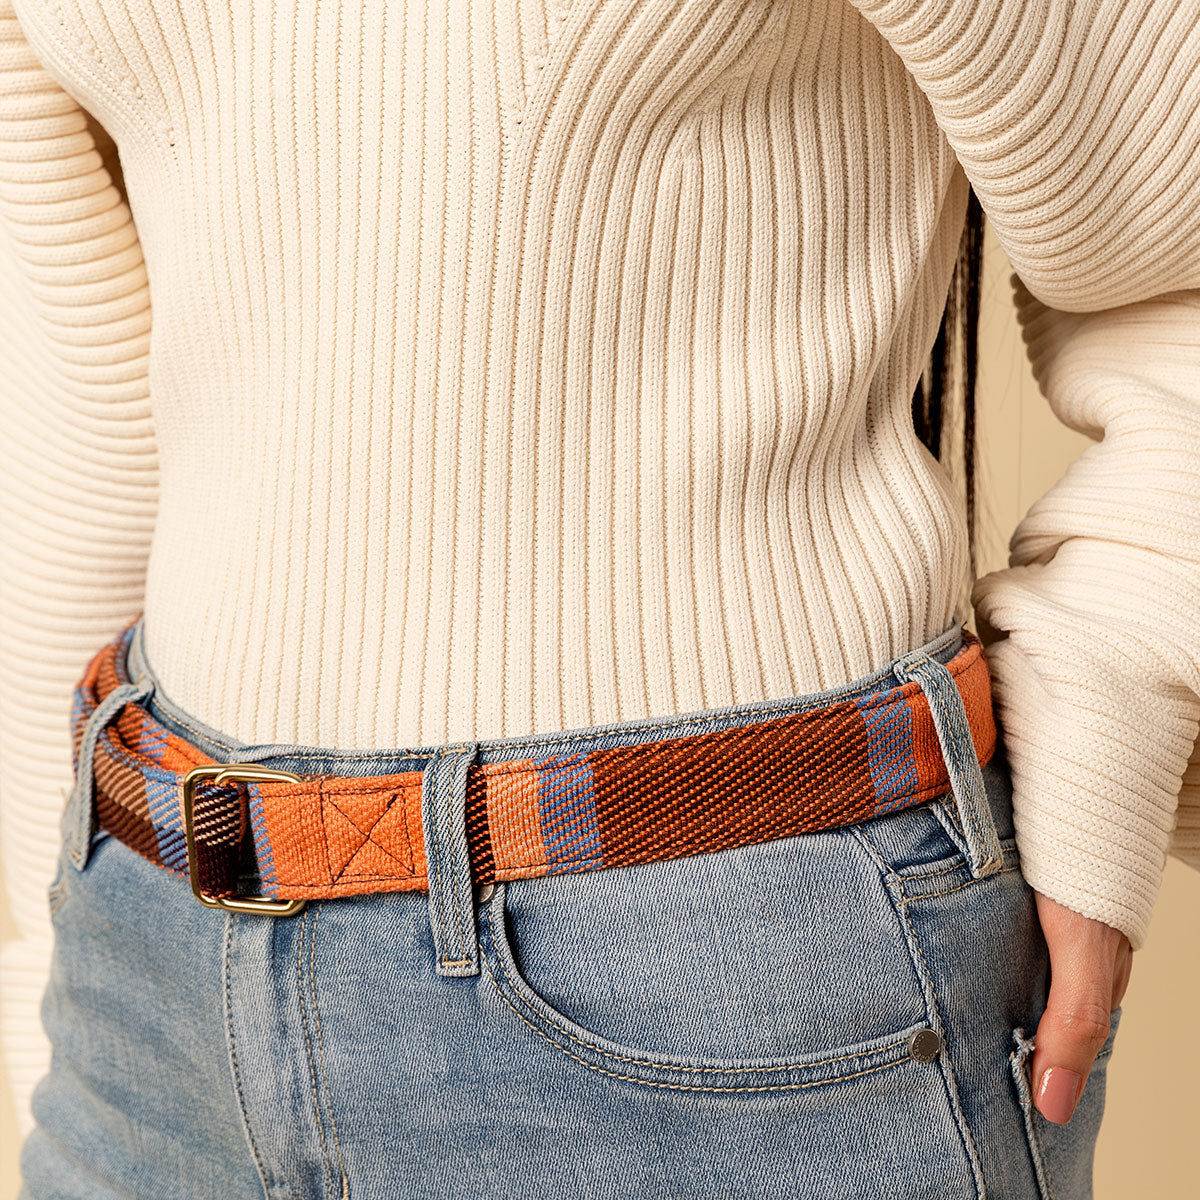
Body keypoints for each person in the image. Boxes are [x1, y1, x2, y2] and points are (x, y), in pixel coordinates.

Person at [0, 1, 1196, 1196]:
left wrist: (1116, 700)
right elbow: (68, 399)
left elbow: (1173, 251)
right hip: (152, 983)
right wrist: (47, 970)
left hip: (718, 983)